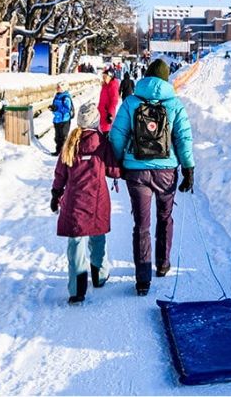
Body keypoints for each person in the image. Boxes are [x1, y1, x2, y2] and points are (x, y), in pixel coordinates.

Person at [109, 59, 195, 296]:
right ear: (166, 79)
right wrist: (188, 168)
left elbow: (117, 135)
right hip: (166, 171)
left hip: (136, 171)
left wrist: (119, 162)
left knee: (142, 224)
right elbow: (183, 139)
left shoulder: (131, 102)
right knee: (165, 217)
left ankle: (143, 279)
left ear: (146, 76)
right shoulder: (175, 104)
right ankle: (163, 263)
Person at [51, 103, 121, 304]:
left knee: (76, 244)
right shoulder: (102, 143)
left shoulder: (70, 143)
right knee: (97, 237)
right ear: (96, 121)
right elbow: (114, 171)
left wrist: (56, 194)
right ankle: (99, 275)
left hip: (74, 202)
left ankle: (77, 290)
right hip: (97, 201)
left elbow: (60, 174)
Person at [49, 82, 74, 156]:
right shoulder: (57, 96)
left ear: (63, 88)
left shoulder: (66, 97)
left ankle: (64, 153)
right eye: (57, 86)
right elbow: (55, 106)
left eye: (58, 87)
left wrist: (57, 108)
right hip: (57, 119)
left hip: (64, 120)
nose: (57, 88)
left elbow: (67, 109)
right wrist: (52, 108)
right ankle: (58, 151)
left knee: (63, 137)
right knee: (57, 137)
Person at [97, 69, 120, 133]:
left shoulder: (112, 85)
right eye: (103, 76)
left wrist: (110, 114)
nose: (103, 78)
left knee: (106, 132)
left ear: (110, 76)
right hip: (102, 113)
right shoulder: (105, 85)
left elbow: (114, 101)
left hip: (107, 114)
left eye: (105, 76)